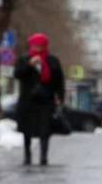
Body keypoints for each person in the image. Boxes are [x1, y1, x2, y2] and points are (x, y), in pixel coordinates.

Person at [14, 33, 65, 166]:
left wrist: (59, 96)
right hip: (28, 100)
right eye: (35, 45)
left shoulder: (52, 60)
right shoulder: (24, 59)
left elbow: (59, 80)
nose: (37, 48)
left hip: (46, 100)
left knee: (45, 129)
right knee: (27, 129)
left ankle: (43, 156)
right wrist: (29, 65)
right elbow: (17, 74)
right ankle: (27, 155)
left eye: (40, 46)